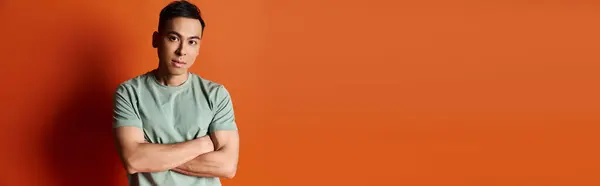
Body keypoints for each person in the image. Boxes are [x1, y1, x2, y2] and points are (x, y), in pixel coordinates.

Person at [112, 1, 239, 185]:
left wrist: (153, 156)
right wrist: (201, 145)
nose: (182, 51)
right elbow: (133, 160)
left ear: (198, 47)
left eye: (192, 42)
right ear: (156, 39)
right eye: (173, 38)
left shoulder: (216, 95)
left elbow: (227, 166)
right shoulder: (129, 93)